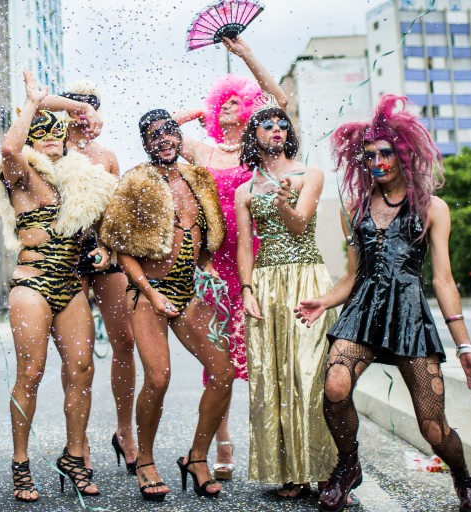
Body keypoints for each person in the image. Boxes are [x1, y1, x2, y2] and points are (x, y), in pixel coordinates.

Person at [295, 94, 471, 512]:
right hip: (362, 313)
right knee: (335, 385)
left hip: (408, 318)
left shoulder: (432, 207)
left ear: (403, 152)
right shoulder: (356, 207)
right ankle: (348, 465)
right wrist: (323, 302)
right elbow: (351, 276)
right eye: (369, 156)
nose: (378, 161)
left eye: (385, 152)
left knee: (434, 429)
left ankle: (463, 478)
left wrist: (466, 346)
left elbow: (443, 280)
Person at [0, 70, 115, 502]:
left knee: (82, 370)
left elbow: (88, 233)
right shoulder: (21, 175)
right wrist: (34, 102)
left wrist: (98, 249)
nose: (50, 138)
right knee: (31, 372)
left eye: (55, 132)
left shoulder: (73, 183)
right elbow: (8, 146)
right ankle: (21, 463)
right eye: (41, 131)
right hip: (32, 284)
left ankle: (75, 456)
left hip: (69, 286)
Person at [100, 109, 234, 501]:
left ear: (179, 136)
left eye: (169, 131)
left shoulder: (198, 179)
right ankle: (145, 460)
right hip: (147, 292)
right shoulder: (135, 182)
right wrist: (150, 292)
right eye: (154, 134)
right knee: (158, 378)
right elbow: (120, 249)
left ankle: (197, 457)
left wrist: (208, 270)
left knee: (223, 372)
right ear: (145, 143)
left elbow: (205, 239)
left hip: (188, 290)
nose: (164, 139)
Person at [172, 36, 289, 479]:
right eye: (221, 104)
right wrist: (197, 114)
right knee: (216, 358)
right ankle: (221, 443)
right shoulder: (202, 151)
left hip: (256, 261)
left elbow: (279, 101)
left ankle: (270, 444)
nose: (227, 110)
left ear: (248, 108)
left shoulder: (260, 149)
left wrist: (246, 56)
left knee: (259, 356)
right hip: (210, 265)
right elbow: (161, 128)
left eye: (235, 103)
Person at [235, 93, 337, 498]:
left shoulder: (309, 173)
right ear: (254, 136)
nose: (277, 130)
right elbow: (245, 245)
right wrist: (246, 289)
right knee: (272, 377)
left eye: (282, 125)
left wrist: (282, 204)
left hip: (307, 280)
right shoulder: (245, 189)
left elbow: (298, 226)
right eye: (267, 126)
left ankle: (327, 469)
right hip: (265, 282)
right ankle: (291, 473)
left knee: (310, 374)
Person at [60, 80, 138, 475]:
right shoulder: (51, 150)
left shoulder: (107, 155)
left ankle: (125, 431)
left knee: (124, 340)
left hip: (106, 254)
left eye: (91, 103)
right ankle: (80, 439)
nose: (84, 109)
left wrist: (110, 248)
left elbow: (117, 213)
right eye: (76, 103)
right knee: (78, 352)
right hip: (65, 258)